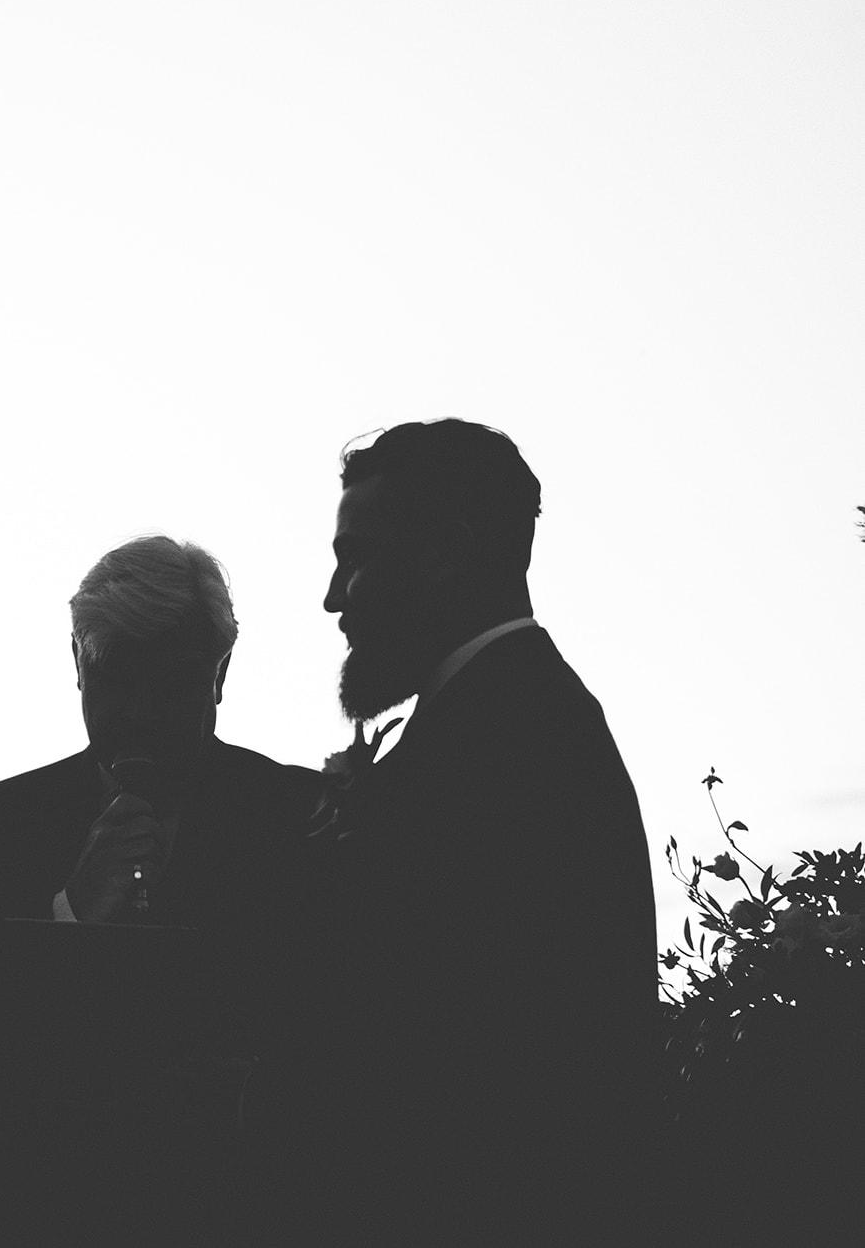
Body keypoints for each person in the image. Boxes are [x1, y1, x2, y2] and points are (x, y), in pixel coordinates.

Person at [267, 420, 657, 1247]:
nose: (334, 597)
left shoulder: (511, 746)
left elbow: (444, 1057)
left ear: (446, 551)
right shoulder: (510, 721)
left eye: (357, 556)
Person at [0, 536, 318, 1248]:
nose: (142, 712)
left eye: (174, 680)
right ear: (77, 667)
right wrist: (72, 910)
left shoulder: (298, 814)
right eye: (118, 677)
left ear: (221, 672)